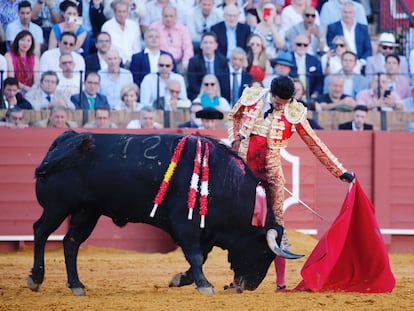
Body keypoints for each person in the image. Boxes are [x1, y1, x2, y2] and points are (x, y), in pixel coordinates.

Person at [228, 75, 355, 291]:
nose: (280, 108)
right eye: (277, 103)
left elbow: (315, 143)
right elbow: (233, 116)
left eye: (283, 105)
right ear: (270, 93)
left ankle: (281, 284)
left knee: (278, 226)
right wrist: (236, 137)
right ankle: (236, 280)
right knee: (241, 226)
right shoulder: (252, 95)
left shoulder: (294, 112)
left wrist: (340, 171)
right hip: (242, 171)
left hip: (270, 174)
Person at [326, 1, 372, 67]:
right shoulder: (333, 27)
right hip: (339, 63)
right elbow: (331, 46)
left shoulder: (363, 28)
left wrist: (361, 62)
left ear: (354, 13)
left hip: (359, 63)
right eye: (345, 12)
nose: (347, 15)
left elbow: (368, 49)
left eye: (350, 12)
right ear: (341, 13)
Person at [149, 5, 193, 72]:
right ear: (162, 16)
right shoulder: (154, 27)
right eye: (166, 16)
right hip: (160, 61)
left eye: (171, 16)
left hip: (178, 62)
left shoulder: (183, 29)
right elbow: (150, 46)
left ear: (176, 17)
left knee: (184, 69)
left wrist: (186, 62)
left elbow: (188, 48)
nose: (168, 19)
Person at [187, 32, 228, 100]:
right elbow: (193, 84)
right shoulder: (193, 61)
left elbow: (224, 83)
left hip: (218, 95)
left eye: (211, 43)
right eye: (205, 42)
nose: (208, 45)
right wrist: (207, 94)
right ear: (201, 45)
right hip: (199, 95)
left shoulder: (223, 61)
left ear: (216, 46)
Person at [101, 0, 142, 67]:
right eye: (119, 12)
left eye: (124, 12)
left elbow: (137, 48)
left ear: (127, 12)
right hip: (115, 61)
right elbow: (107, 48)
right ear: (114, 12)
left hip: (132, 62)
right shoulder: (107, 26)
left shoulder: (134, 26)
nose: (122, 14)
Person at [289, 34, 323, 99]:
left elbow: (320, 80)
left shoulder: (314, 60)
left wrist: (316, 93)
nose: (302, 47)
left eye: (305, 45)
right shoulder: (288, 58)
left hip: (310, 97)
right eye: (299, 44)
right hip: (291, 96)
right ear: (294, 45)